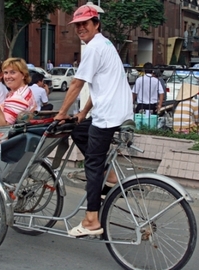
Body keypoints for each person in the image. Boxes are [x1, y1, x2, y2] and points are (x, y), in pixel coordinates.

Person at [53, 5, 133, 237]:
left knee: (92, 165)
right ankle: (110, 177)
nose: (80, 28)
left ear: (96, 24)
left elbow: (77, 84)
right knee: (78, 131)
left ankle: (91, 220)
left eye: (85, 23)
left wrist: (60, 114)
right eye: (77, 25)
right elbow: (99, 87)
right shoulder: (105, 44)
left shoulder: (94, 48)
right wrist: (82, 113)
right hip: (113, 110)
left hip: (108, 115)